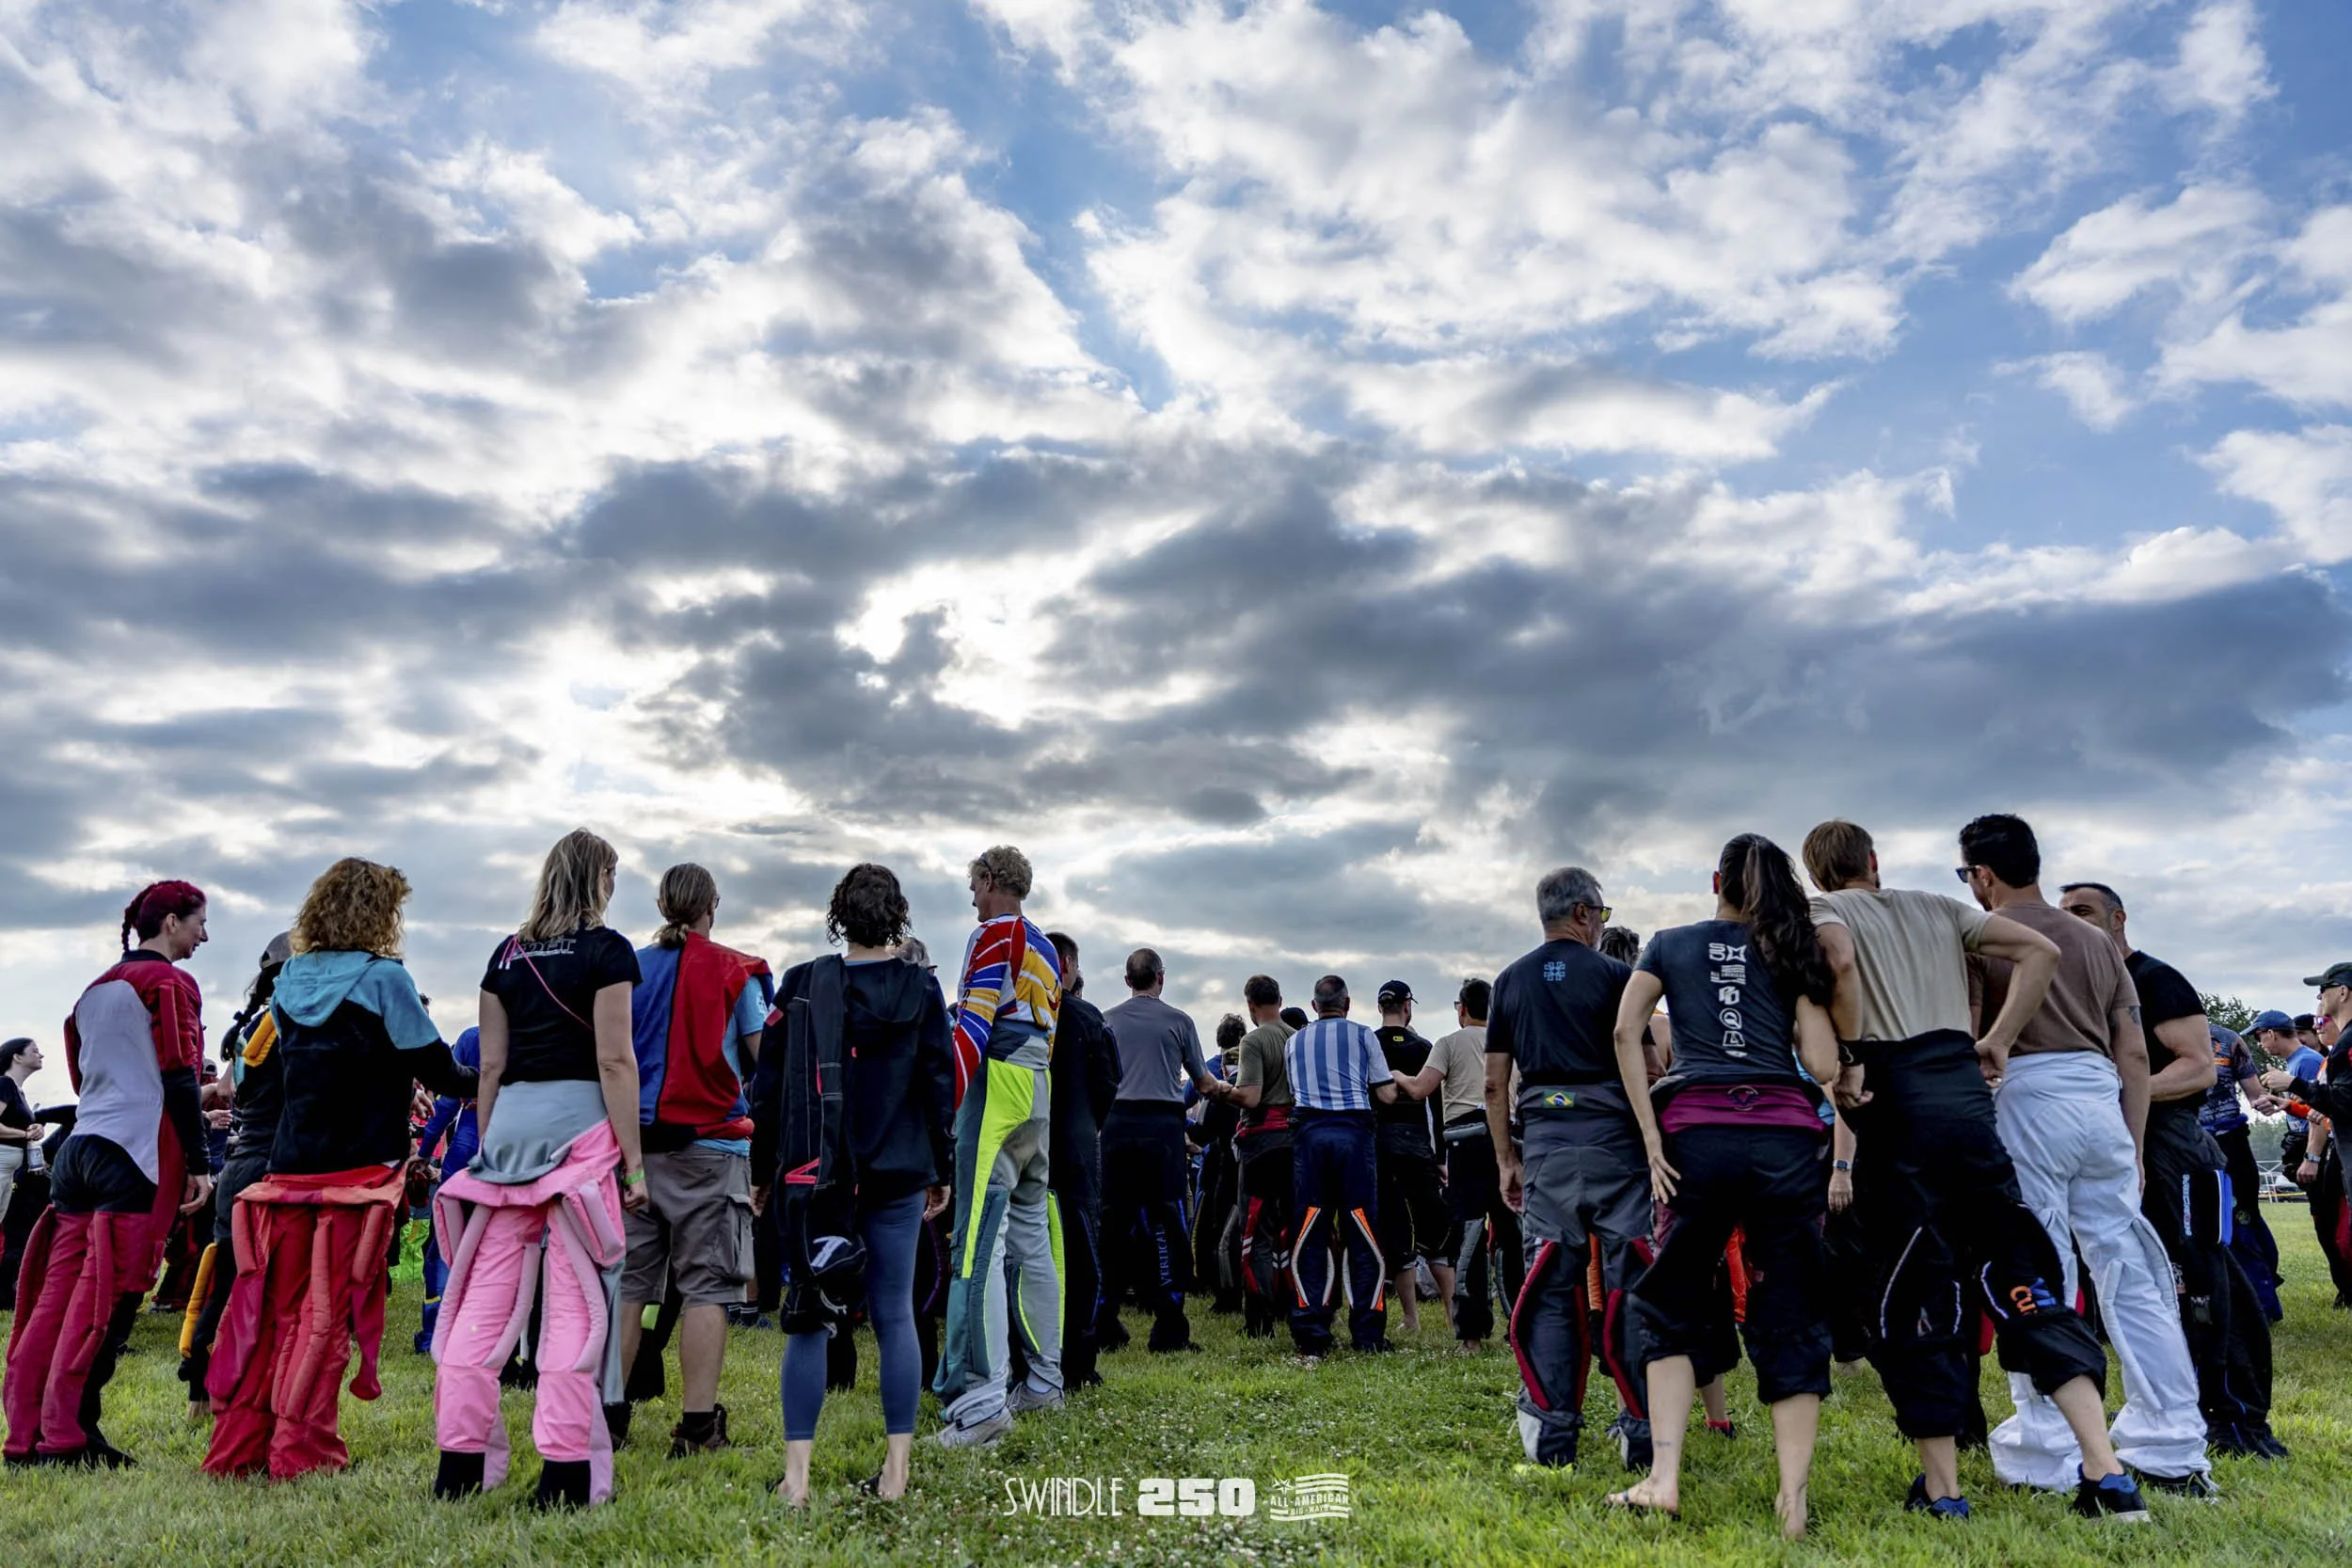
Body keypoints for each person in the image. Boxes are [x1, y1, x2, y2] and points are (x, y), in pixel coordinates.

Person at [1800, 819, 2143, 1523]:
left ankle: (1945, 1490)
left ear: (1815, 874)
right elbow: (2039, 950)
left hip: (1896, 1103)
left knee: (1914, 1291)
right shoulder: (1938, 905)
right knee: (2021, 1271)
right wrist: (1998, 1040)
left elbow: (1834, 961)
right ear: (1873, 859)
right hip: (1962, 1092)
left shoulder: (1823, 911)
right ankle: (2106, 1471)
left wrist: (1849, 1053)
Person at [202, 859, 478, 1481]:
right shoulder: (386, 979)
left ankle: (239, 1450)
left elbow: (246, 1073)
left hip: (288, 1170)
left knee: (276, 1313)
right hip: (359, 1175)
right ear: (380, 913)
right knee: (325, 1317)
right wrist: (493, 1078)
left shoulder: (291, 978)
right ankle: (302, 1452)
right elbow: (438, 1069)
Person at [1953, 825, 2204, 1502]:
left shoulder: (1983, 934)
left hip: (2025, 1091)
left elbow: (1976, 1038)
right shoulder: (2097, 941)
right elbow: (2134, 1051)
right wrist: (2132, 1136)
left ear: (1982, 874)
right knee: (2132, 1271)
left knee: (2037, 1270)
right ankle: (2172, 1435)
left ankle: (2047, 1443)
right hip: (2101, 1097)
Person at [1606, 834, 1840, 1536]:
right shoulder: (1791, 948)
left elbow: (1626, 1030)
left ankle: (1664, 1479)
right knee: (1791, 1307)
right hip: (1786, 1138)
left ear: (1717, 879)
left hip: (1695, 1139)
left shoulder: (1671, 943)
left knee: (1672, 1301)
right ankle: (1792, 1499)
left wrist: (1650, 1136)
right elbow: (1824, 1059)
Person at [431, 829, 647, 1510]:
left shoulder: (506, 952)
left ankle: (460, 1465)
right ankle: (566, 1475)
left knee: (484, 1304)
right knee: (575, 1312)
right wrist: (634, 1163)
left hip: (511, 1136)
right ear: (601, 878)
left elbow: (489, 1064)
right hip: (578, 1137)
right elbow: (615, 1059)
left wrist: (492, 1145)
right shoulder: (608, 950)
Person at [2056, 880, 2280, 1464]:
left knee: (2206, 1281)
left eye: (2083, 911)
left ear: (2118, 918)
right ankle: (2175, 1408)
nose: (2073, 923)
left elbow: (2200, 1067)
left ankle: (2236, 1421)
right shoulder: (2079, 986)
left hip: (2176, 1148)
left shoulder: (2155, 978)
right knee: (2147, 1285)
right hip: (2116, 1149)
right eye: (2064, 915)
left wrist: (2118, 1093)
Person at [754, 863, 955, 1505]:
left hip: (819, 1175)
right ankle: (895, 1474)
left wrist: (762, 1171)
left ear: (840, 913)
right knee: (895, 1314)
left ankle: (797, 1478)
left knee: (809, 1318)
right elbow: (938, 1084)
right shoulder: (922, 989)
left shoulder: (804, 984)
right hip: (898, 1168)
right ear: (897, 913)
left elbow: (770, 1088)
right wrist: (941, 1167)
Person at [4, 879, 213, 1468]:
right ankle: (69, 1436)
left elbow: (81, 1079)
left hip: (80, 1148)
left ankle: (24, 1436)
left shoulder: (92, 991)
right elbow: (176, 1073)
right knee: (106, 1302)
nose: (204, 935)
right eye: (199, 922)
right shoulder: (171, 983)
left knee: (53, 1298)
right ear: (171, 923)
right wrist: (198, 1164)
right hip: (134, 1155)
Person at [1486, 866, 1651, 1471]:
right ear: (1583, 912)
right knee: (1632, 1280)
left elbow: (1494, 1083)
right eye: (1602, 914)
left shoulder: (1509, 981)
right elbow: (1649, 1066)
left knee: (1552, 1284)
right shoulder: (1617, 976)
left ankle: (1552, 1435)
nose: (1602, 924)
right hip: (1615, 1143)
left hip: (1547, 1146)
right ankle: (1642, 1433)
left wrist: (1509, 1159)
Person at [609, 863, 771, 1458]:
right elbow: (763, 1059)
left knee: (629, 1288)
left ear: (660, 905)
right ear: (713, 905)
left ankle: (609, 1418)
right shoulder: (736, 973)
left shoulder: (628, 970)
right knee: (707, 1289)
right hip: (712, 1147)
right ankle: (698, 1428)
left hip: (638, 1151)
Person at [935, 846, 1063, 1447]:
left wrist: (943, 1111)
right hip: (1039, 1091)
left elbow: (972, 1026)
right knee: (1032, 1239)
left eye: (974, 885)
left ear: (988, 881)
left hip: (997, 1089)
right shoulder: (1043, 945)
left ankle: (983, 1402)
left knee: (977, 1246)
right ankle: (1043, 1382)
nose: (972, 897)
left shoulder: (992, 934)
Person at [179, 934, 294, 1411]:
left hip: (243, 1160)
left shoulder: (251, 1024)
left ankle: (201, 1389)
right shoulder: (290, 1024)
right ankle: (223, 1387)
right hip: (271, 1164)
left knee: (226, 1275)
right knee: (252, 1283)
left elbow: (229, 1088)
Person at [1099, 947, 1226, 1355]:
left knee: (1113, 1226)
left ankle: (1104, 1323)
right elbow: (1205, 1084)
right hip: (1161, 1130)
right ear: (1161, 978)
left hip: (1116, 1127)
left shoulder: (1107, 1020)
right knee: (1166, 1225)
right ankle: (1169, 1329)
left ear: (1126, 981)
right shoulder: (1179, 1021)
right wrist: (1234, 1093)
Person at [1284, 974, 1399, 1362]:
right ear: (1347, 1005)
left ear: (1314, 1006)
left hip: (1310, 1135)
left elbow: (1292, 1091)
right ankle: (1368, 1332)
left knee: (1310, 1233)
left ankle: (1311, 1333)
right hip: (1354, 1133)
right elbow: (1385, 1092)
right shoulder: (1364, 1035)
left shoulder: (1293, 1041)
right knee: (1363, 1231)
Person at [1042, 932, 1119, 1387]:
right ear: (1068, 965)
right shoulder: (1087, 1017)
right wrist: (1090, 1121)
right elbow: (1109, 1081)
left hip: (1025, 1148)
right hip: (1074, 1149)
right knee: (1081, 1258)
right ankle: (1078, 1363)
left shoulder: (1018, 1013)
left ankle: (1027, 1356)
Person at [1430, 979, 1519, 1354]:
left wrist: (1396, 1077)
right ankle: (1520, 1328)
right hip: (1510, 1138)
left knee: (1469, 1237)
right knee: (1513, 1236)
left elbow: (1422, 1088)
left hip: (1466, 1143)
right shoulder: (1511, 1043)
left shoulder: (1449, 1043)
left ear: (1462, 1009)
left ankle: (1471, 1336)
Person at [1373, 981, 1455, 1335]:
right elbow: (1435, 1105)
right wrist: (1440, 1156)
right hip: (1419, 1147)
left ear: (1381, 1008)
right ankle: (1453, 1315)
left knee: (1397, 1235)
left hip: (1382, 1148)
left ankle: (1411, 1319)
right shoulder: (1424, 1047)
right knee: (1436, 1235)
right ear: (1408, 1006)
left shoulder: (1370, 1043)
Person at [2205, 1015, 2283, 1321]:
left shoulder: (2228, 1040)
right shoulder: (2154, 1036)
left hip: (2229, 1143)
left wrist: (2279, 1101)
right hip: (2189, 1144)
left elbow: (2256, 1098)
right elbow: (2256, 1098)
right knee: (2213, 1226)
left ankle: (2263, 1307)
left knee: (2243, 1223)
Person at [1230, 974, 1296, 1339]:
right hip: (1294, 1141)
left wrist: (1222, 1090)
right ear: (1280, 999)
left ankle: (1259, 1318)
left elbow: (1251, 1097)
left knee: (1256, 1233)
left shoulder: (1253, 1040)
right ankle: (1294, 1304)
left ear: (1251, 1005)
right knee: (1291, 1226)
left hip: (1260, 1145)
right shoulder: (1296, 1038)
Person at [412, 1026, 481, 1353]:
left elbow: (447, 1104)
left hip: (466, 1153)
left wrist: (424, 1153)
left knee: (444, 1248)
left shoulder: (471, 1039)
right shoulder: (535, 1034)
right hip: (519, 1152)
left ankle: (434, 1334)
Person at [1195, 1013, 1248, 1316]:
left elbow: (1202, 1130)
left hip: (1224, 1162)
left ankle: (1226, 1294)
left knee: (1220, 1229)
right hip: (1255, 1160)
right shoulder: (1261, 1077)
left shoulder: (1215, 1079)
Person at [0, 1038, 42, 1251]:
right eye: (35, 1051)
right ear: (17, 1057)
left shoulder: (20, 1093)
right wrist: (25, 1134)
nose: (40, 1055)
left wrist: (36, 1130)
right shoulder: (4, 1084)